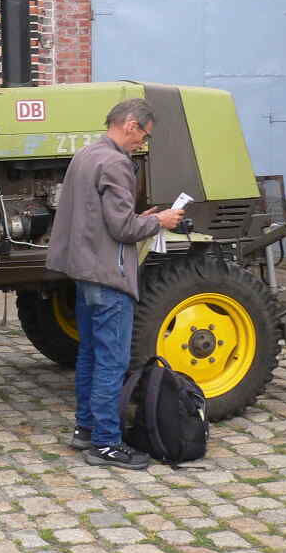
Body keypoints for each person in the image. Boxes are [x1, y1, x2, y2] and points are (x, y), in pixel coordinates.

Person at [45, 98, 184, 470]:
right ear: (131, 124)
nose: (142, 143)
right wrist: (160, 221)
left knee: (90, 355)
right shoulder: (116, 163)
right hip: (109, 275)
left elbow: (99, 217)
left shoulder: (85, 155)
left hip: (84, 272)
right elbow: (123, 228)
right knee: (111, 361)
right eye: (144, 135)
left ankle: (86, 429)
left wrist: (139, 217)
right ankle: (106, 444)